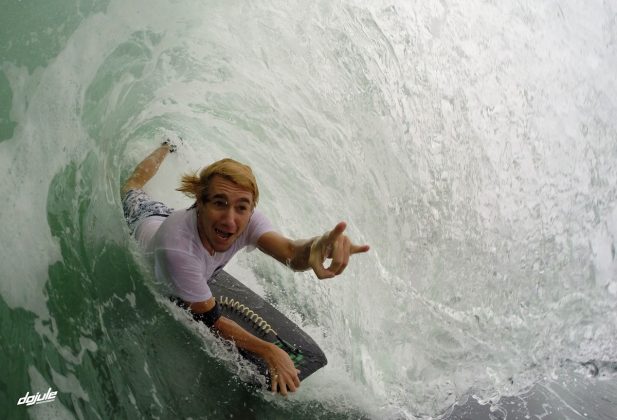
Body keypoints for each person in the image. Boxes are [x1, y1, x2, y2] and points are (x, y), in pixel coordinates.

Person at [121, 140, 369, 396]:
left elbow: (291, 253)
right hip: (143, 219)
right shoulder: (177, 249)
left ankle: (167, 150)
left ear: (251, 209)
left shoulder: (245, 220)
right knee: (133, 187)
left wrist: (318, 245)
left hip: (174, 227)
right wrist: (269, 350)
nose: (230, 219)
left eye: (241, 207)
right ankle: (163, 148)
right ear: (199, 203)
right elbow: (211, 320)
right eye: (219, 203)